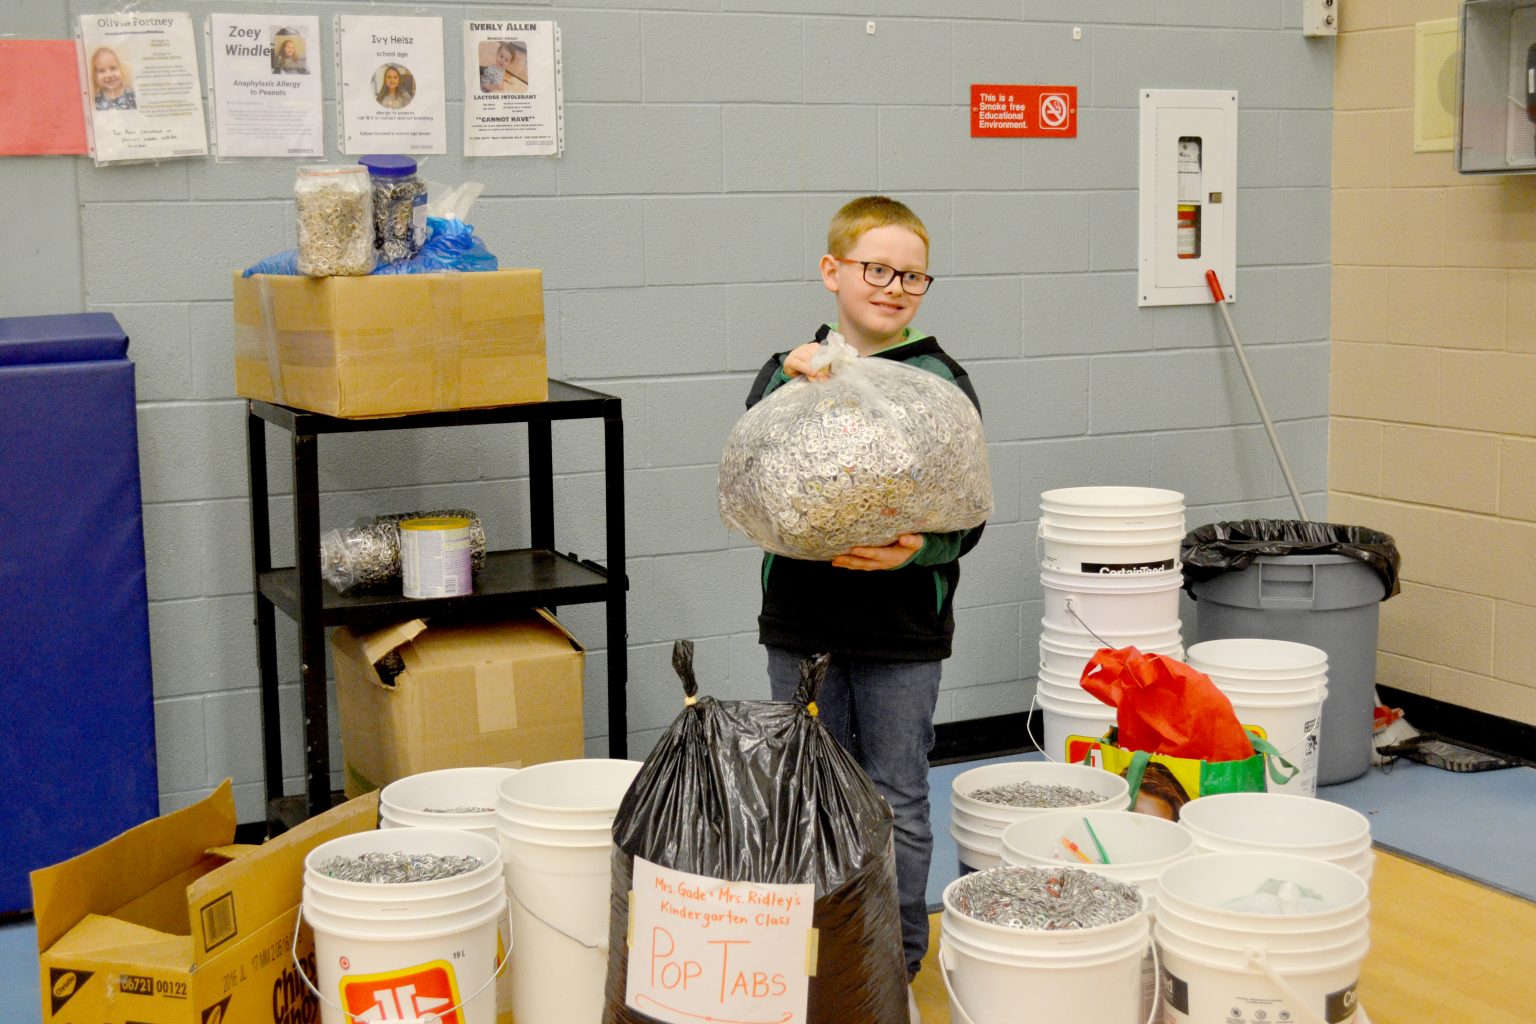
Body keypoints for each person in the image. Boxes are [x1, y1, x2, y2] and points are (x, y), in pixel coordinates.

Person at [745, 195, 984, 1021]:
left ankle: (894, 968)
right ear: (833, 271)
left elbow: (968, 514)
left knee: (896, 797)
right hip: (803, 624)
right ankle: (816, 959)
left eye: (910, 274)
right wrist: (788, 379)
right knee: (806, 791)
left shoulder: (941, 381)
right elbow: (759, 481)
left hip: (903, 630)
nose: (893, 287)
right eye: (876, 269)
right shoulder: (787, 370)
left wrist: (919, 550)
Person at [89, 46, 136, 111]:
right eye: (101, 71)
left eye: (113, 68)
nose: (109, 75)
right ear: (94, 75)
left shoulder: (132, 94)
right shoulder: (95, 100)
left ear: (121, 69)